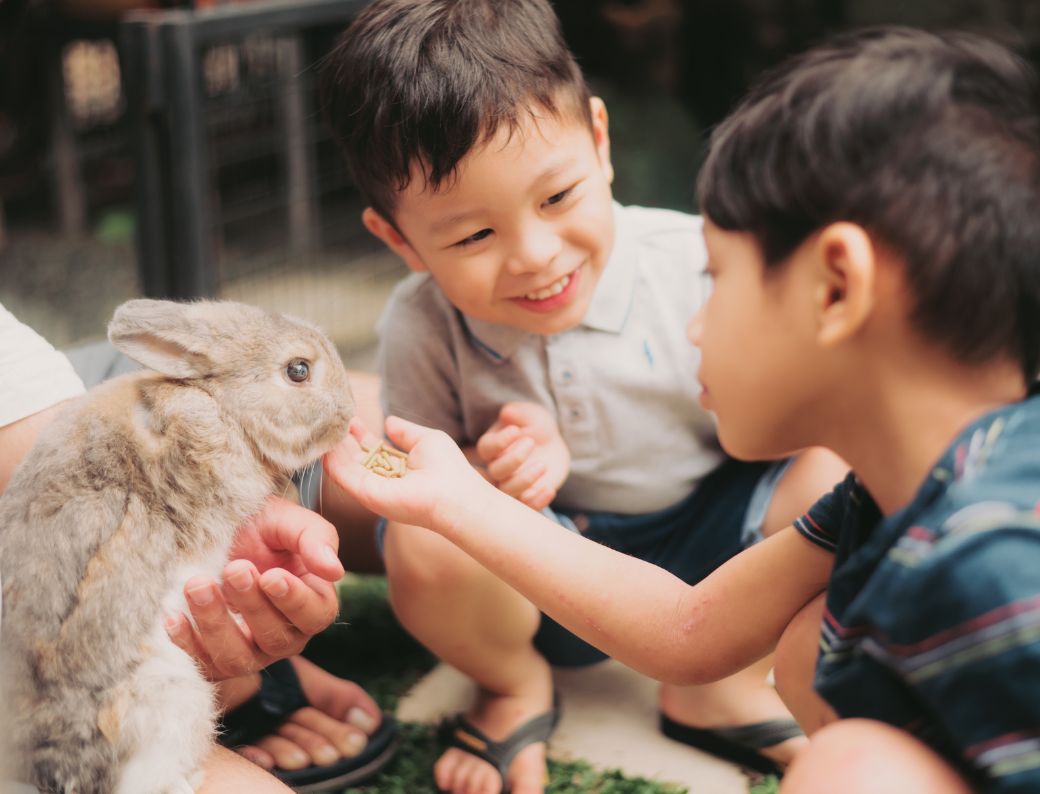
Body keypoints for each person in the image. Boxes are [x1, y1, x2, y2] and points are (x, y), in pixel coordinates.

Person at [328, 26, 1040, 794]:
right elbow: (689, 630)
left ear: (835, 289)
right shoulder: (884, 499)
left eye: (720, 275)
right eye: (475, 233)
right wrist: (467, 490)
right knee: (809, 651)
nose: (697, 322)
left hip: (704, 533)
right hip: (583, 565)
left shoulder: (995, 562)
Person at [0, 301, 395, 792]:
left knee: (394, 414)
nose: (341, 411)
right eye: (298, 371)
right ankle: (208, 678)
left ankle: (220, 660)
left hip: (62, 381)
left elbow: (44, 458)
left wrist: (242, 517)